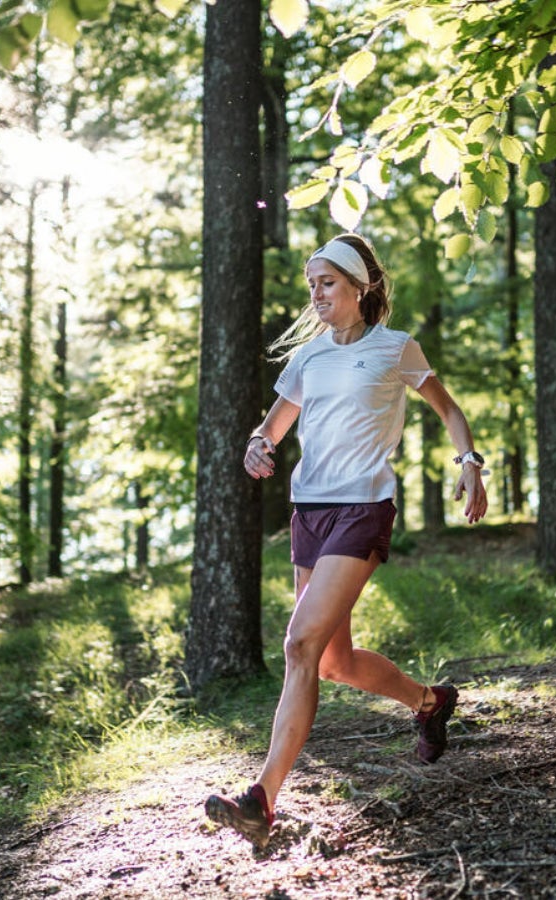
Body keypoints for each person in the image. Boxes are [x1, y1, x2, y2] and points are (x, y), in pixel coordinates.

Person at [205, 233, 488, 849]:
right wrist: (258, 446)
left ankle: (262, 798)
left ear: (361, 288)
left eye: (328, 282)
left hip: (363, 507)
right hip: (310, 511)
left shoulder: (395, 348)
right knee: (332, 659)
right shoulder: (308, 358)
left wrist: (470, 461)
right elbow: (271, 426)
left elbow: (448, 409)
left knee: (299, 642)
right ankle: (429, 701)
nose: (317, 292)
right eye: (312, 283)